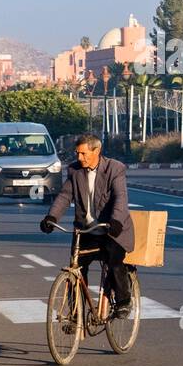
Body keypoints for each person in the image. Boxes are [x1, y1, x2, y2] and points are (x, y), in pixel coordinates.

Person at [40, 133, 135, 318]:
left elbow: (120, 198)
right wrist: (52, 217)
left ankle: (124, 301)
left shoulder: (114, 169)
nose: (79, 158)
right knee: (77, 269)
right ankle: (75, 313)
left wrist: (115, 221)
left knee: (114, 262)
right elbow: (65, 196)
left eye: (83, 154)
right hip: (86, 230)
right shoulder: (75, 171)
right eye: (77, 153)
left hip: (111, 229)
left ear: (97, 151)